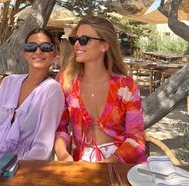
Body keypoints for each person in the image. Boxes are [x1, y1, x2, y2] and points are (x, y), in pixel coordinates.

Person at [54, 15, 146, 164]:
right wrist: (64, 156)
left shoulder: (126, 87)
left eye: (83, 40)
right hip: (81, 163)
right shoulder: (67, 81)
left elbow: (136, 139)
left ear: (104, 46)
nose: (76, 44)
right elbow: (61, 129)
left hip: (121, 162)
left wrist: (108, 163)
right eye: (74, 40)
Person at [0, 28, 64, 160]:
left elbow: (41, 149)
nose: (38, 51)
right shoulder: (8, 82)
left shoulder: (52, 90)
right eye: (31, 47)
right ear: (24, 53)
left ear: (54, 54)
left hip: (23, 167)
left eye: (45, 47)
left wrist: (6, 167)